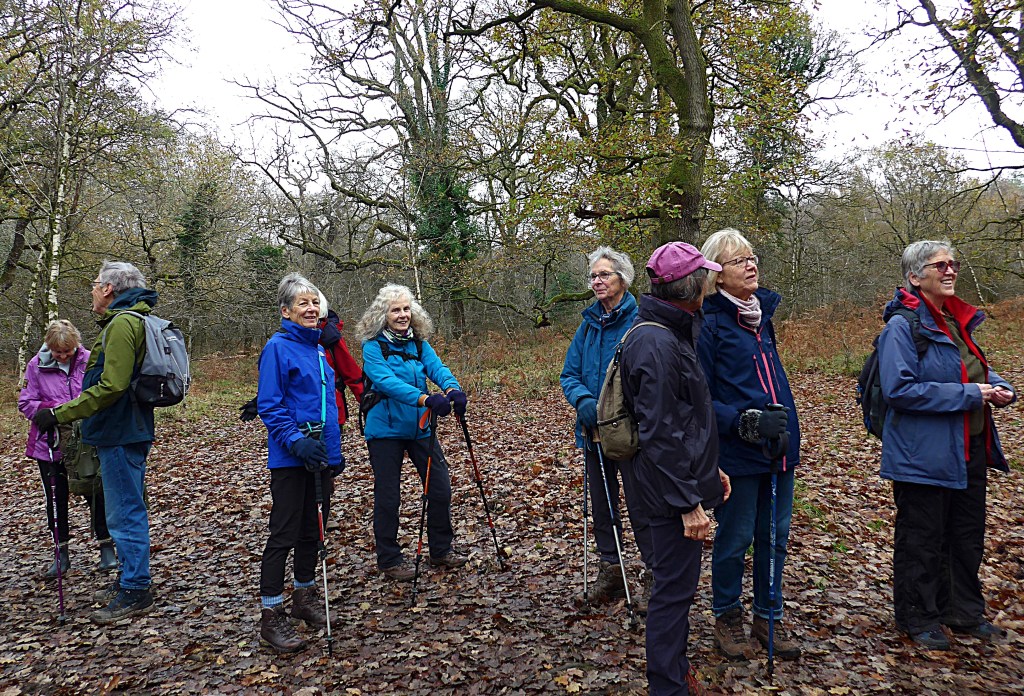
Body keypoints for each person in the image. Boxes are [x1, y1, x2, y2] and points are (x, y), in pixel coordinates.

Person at [879, 240, 1015, 650]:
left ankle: (963, 612)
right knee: (922, 539)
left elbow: (973, 369)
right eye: (940, 265)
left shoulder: (954, 321)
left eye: (952, 263)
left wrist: (999, 386)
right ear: (915, 277)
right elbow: (899, 390)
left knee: (965, 536)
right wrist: (971, 395)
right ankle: (918, 617)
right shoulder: (902, 327)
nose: (950, 270)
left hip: (967, 449)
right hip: (922, 454)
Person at [619, 242, 729, 695]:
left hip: (674, 484)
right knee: (672, 593)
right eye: (706, 276)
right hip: (665, 495)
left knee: (678, 588)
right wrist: (688, 503)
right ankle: (667, 686)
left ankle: (676, 672)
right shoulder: (656, 342)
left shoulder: (671, 332)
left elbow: (687, 419)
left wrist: (709, 471)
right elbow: (661, 433)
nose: (711, 283)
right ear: (690, 286)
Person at [32, 261, 160, 624]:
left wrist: (60, 413)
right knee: (125, 508)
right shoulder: (132, 319)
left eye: (95, 283)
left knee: (124, 512)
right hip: (127, 429)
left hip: (119, 432)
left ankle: (136, 589)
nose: (92, 289)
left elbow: (112, 385)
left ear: (108, 289)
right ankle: (129, 579)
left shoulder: (122, 323)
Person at [697, 228, 802, 661]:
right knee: (736, 538)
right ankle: (727, 616)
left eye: (752, 257)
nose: (750, 265)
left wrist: (781, 427)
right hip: (737, 453)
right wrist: (744, 422)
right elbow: (699, 397)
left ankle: (768, 615)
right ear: (717, 274)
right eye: (739, 260)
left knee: (774, 536)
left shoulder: (762, 317)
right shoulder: (709, 324)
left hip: (778, 447)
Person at [560, 246, 654, 610]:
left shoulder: (639, 321)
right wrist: (583, 401)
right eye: (593, 276)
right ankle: (611, 569)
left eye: (604, 275)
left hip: (631, 434)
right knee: (602, 506)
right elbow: (569, 374)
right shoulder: (588, 325)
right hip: (593, 433)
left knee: (642, 506)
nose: (597, 281)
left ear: (623, 279)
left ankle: (654, 574)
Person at [255, 273, 344, 653]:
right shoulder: (277, 348)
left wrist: (333, 455)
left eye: (315, 303)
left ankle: (303, 595)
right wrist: (296, 441)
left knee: (314, 529)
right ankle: (271, 613)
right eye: (303, 303)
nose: (311, 309)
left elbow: (327, 408)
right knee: (284, 532)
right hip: (290, 459)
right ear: (286, 311)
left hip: (320, 456)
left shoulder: (319, 349)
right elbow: (269, 405)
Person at [355, 284, 469, 581]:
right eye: (395, 310)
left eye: (406, 309)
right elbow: (386, 382)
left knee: (440, 488)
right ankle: (389, 559)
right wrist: (424, 399)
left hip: (420, 428)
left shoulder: (418, 344)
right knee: (389, 496)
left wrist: (452, 389)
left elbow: (437, 367)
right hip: (385, 430)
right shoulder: (372, 346)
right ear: (383, 314)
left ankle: (441, 550)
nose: (402, 315)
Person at [19, 320, 116, 577]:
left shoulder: (90, 360)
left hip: (86, 441)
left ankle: (106, 547)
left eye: (67, 351)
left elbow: (101, 393)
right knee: (56, 498)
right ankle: (60, 552)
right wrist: (51, 411)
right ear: (48, 346)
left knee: (95, 493)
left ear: (76, 345)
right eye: (57, 352)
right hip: (50, 443)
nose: (63, 356)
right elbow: (26, 402)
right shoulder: (36, 365)